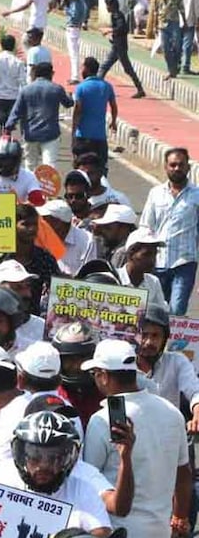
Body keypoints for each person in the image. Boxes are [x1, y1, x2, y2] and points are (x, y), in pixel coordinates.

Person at [80, 338, 190, 538]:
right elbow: (183, 473)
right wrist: (180, 516)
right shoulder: (172, 412)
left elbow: (88, 482)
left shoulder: (102, 420)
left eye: (95, 374)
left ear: (103, 375)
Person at [0, 412, 112, 536]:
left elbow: (102, 531)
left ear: (69, 458)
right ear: (22, 456)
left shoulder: (83, 487)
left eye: (54, 458)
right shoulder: (3, 476)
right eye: (35, 457)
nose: (43, 466)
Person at [140, 147, 199, 316]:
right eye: (173, 165)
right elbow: (146, 226)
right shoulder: (155, 194)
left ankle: (172, 342)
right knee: (154, 312)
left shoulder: (197, 195)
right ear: (166, 167)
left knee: (176, 312)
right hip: (156, 262)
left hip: (184, 263)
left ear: (188, 167)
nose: (177, 168)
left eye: (181, 165)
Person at [134, 304, 199, 430]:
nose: (148, 342)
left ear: (164, 339)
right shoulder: (123, 365)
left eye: (155, 336)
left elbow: (195, 390)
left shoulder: (177, 361)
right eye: (144, 335)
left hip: (169, 434)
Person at [5, 63, 74, 172]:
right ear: (51, 74)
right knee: (50, 167)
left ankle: (31, 188)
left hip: (30, 133)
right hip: (51, 133)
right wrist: (71, 97)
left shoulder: (26, 90)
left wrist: (8, 128)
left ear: (35, 74)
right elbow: (68, 103)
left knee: (30, 166)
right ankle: (48, 188)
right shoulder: (56, 89)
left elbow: (16, 112)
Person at [72, 57, 118, 165]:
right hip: (100, 136)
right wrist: (113, 122)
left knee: (81, 168)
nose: (81, 70)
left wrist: (74, 133)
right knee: (100, 168)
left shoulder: (81, 88)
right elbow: (114, 106)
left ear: (87, 69)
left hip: (83, 136)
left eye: (82, 67)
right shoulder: (107, 86)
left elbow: (77, 111)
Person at [99, 0, 146, 98]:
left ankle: (140, 89)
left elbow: (122, 28)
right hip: (116, 46)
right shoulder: (114, 15)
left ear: (112, 6)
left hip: (120, 48)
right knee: (104, 66)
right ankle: (97, 87)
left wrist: (110, 31)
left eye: (108, 5)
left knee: (127, 69)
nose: (107, 8)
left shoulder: (118, 15)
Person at [39, 199, 98, 276]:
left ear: (58, 222)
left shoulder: (86, 240)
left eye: (45, 219)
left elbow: (87, 275)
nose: (41, 223)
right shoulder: (41, 238)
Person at [0, 35, 28, 130]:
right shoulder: (18, 62)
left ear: (2, 45)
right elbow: (23, 82)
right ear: (13, 46)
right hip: (13, 96)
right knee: (10, 121)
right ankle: (8, 135)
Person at [151, 0, 184, 79]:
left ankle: (176, 64)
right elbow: (155, 11)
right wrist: (154, 26)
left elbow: (181, 7)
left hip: (174, 22)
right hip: (162, 24)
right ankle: (171, 70)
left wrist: (185, 21)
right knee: (165, 49)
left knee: (177, 45)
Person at [91, 204, 140, 268]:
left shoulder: (122, 253)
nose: (103, 231)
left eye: (108, 228)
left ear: (123, 228)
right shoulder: (112, 248)